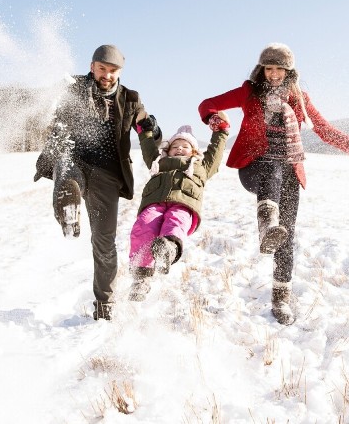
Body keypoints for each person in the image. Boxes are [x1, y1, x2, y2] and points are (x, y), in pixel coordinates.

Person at [197, 43, 349, 325]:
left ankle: (281, 298)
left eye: (279, 69)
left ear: (289, 72)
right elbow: (208, 104)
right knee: (273, 167)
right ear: (261, 70)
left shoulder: (299, 99)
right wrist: (216, 122)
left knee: (287, 235)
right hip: (254, 167)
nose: (273, 74)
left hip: (290, 171)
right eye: (268, 69)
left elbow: (323, 129)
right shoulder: (249, 92)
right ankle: (266, 222)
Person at [34, 44, 161, 321]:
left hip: (107, 174)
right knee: (66, 170)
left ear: (120, 72)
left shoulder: (131, 99)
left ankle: (105, 305)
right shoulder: (74, 87)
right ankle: (67, 209)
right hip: (75, 158)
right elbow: (42, 101)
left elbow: (146, 132)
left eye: (113, 70)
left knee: (104, 242)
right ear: (92, 67)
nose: (107, 75)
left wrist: (155, 143)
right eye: (102, 68)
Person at [127, 115, 230, 302]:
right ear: (168, 149)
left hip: (183, 204)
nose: (179, 148)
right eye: (175, 146)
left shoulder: (201, 166)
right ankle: (141, 277)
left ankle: (168, 248)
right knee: (143, 226)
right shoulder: (159, 162)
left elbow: (215, 153)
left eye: (185, 146)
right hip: (155, 203)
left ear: (193, 151)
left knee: (175, 222)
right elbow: (148, 149)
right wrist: (145, 132)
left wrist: (221, 131)